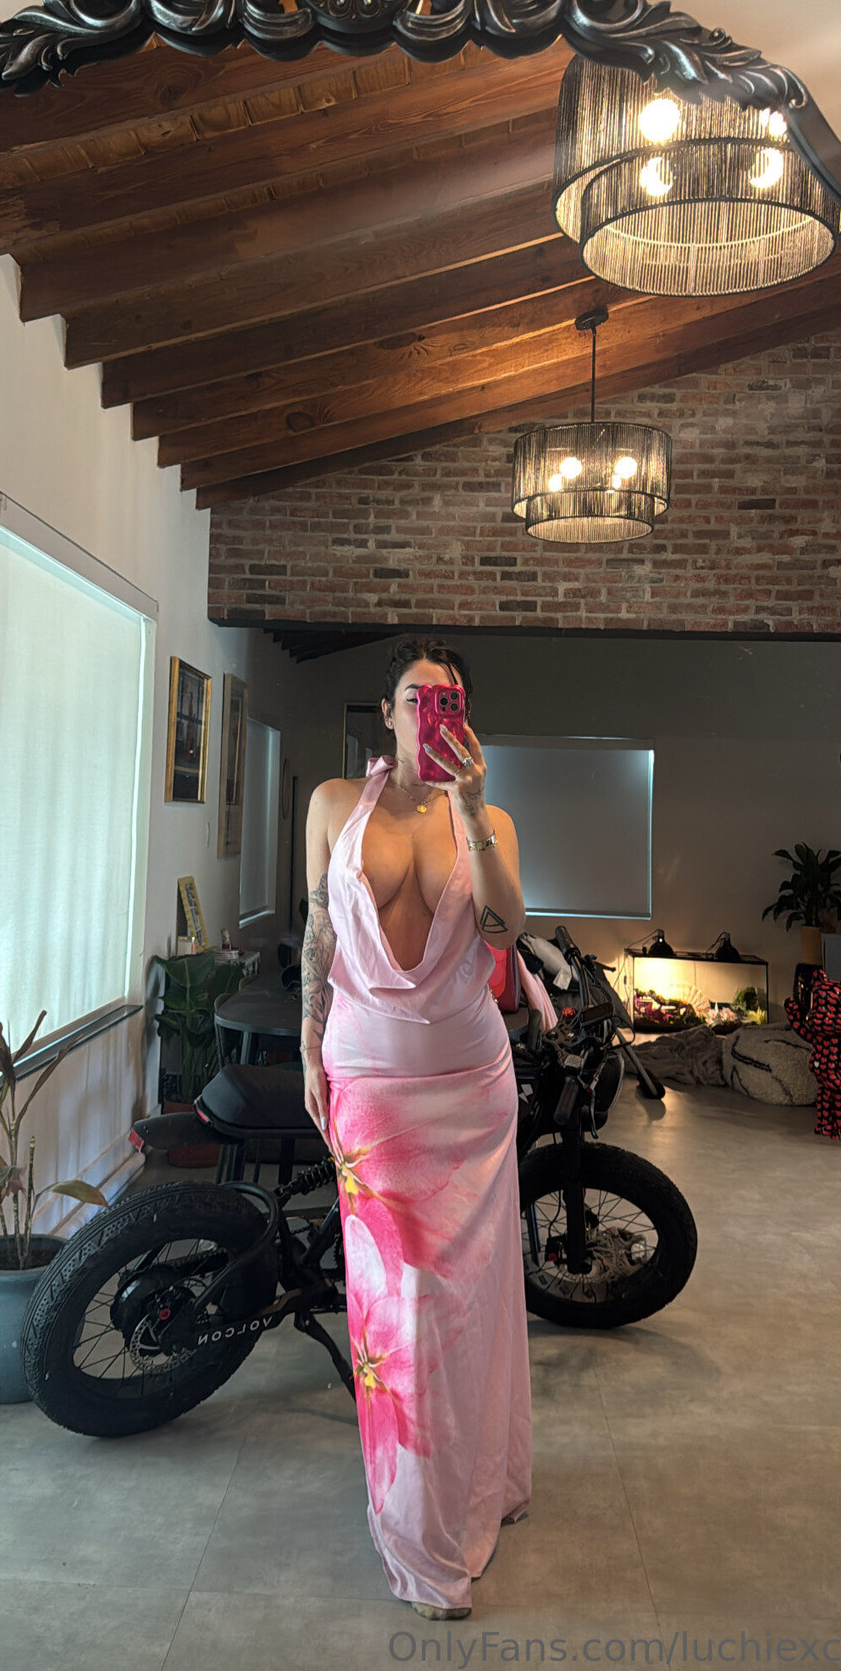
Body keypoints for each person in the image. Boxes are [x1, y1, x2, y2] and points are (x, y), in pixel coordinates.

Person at [300, 636, 534, 1620]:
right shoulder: (330, 805)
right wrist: (305, 1047)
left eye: (449, 699)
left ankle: (483, 1478)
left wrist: (471, 811)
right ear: (387, 712)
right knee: (397, 1311)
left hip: (469, 1089)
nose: (430, 711)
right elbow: (318, 931)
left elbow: (504, 934)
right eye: (414, 697)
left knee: (468, 1300)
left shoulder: (492, 818)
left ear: (463, 717)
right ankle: (419, 1529)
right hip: (368, 1079)